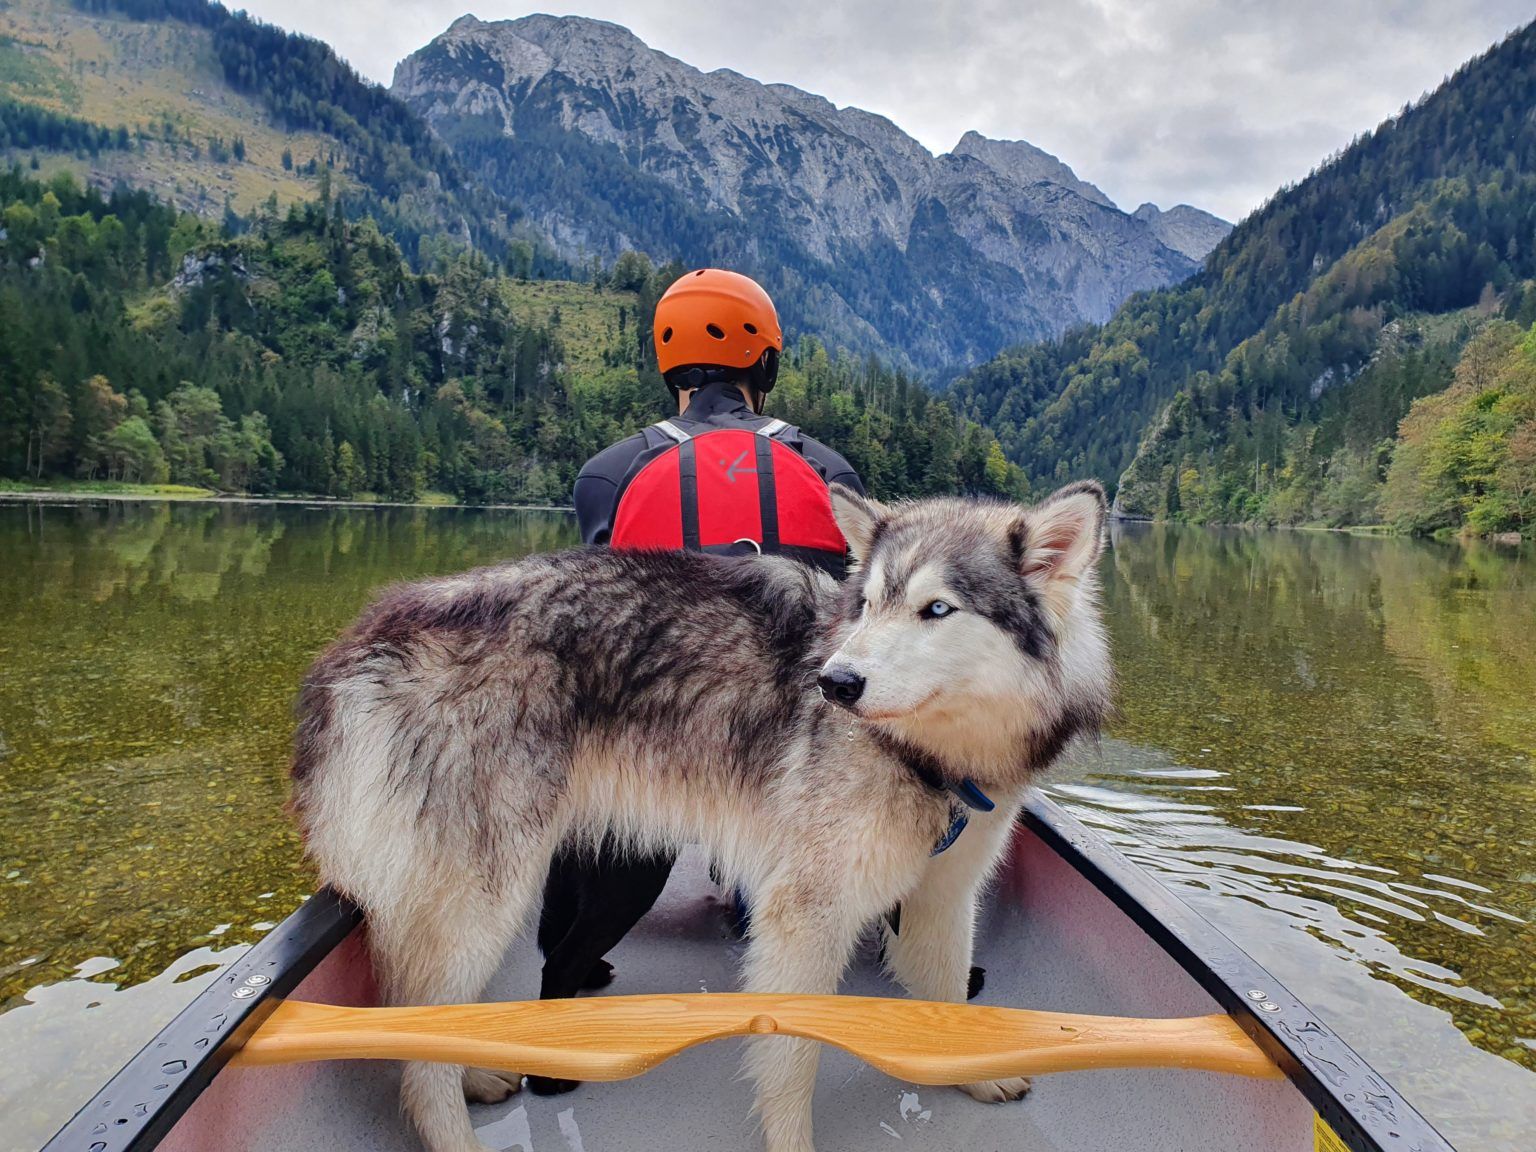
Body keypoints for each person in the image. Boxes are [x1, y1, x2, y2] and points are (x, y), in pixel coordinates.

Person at [529, 269, 864, 1095]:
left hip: (661, 735)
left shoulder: (608, 473)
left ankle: (561, 985)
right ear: (766, 359)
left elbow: (599, 611)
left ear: (666, 363)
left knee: (599, 747)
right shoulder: (827, 467)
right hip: (789, 746)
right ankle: (772, 907)